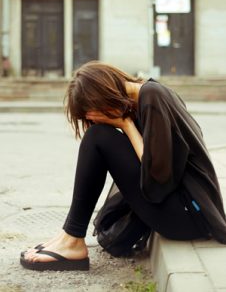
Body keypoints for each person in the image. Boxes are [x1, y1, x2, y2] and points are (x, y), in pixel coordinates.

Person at [20, 61, 226, 271]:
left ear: (103, 97)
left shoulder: (152, 96)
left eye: (93, 113)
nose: (95, 120)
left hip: (189, 215)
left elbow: (158, 177)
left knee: (97, 137)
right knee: (98, 136)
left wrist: (126, 125)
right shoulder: (146, 96)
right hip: (181, 208)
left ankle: (72, 239)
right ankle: (68, 235)